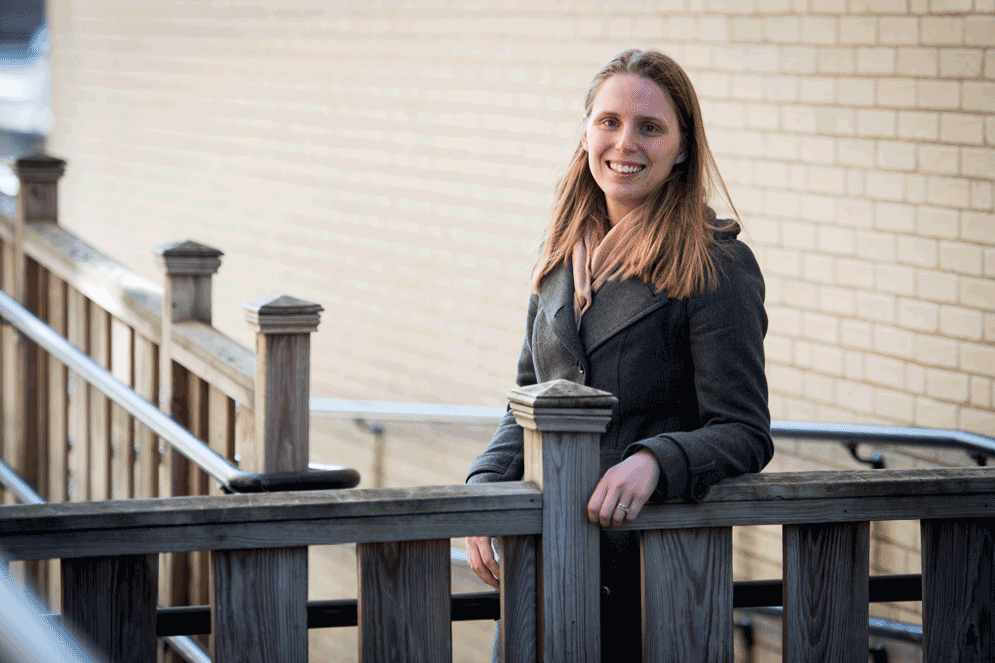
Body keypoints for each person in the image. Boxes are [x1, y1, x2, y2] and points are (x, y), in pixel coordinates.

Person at [464, 48, 774, 659]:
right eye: (609, 122)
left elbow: (744, 431)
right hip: (546, 567)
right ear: (585, 134)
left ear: (682, 148)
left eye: (650, 127)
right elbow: (525, 403)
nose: (625, 142)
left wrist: (654, 461)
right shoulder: (558, 257)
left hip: (652, 574)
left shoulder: (716, 264)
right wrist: (483, 488)